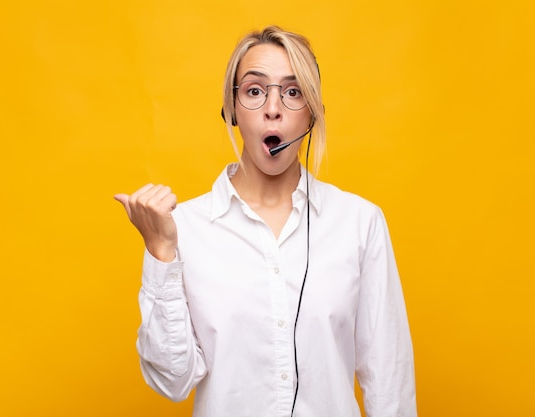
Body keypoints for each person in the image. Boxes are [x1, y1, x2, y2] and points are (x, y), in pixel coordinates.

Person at [115, 26, 417, 417]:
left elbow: (388, 378)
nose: (273, 108)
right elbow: (172, 382)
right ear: (232, 110)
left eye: (292, 93)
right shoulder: (180, 229)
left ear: (312, 114)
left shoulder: (360, 223)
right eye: (255, 91)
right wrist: (160, 253)